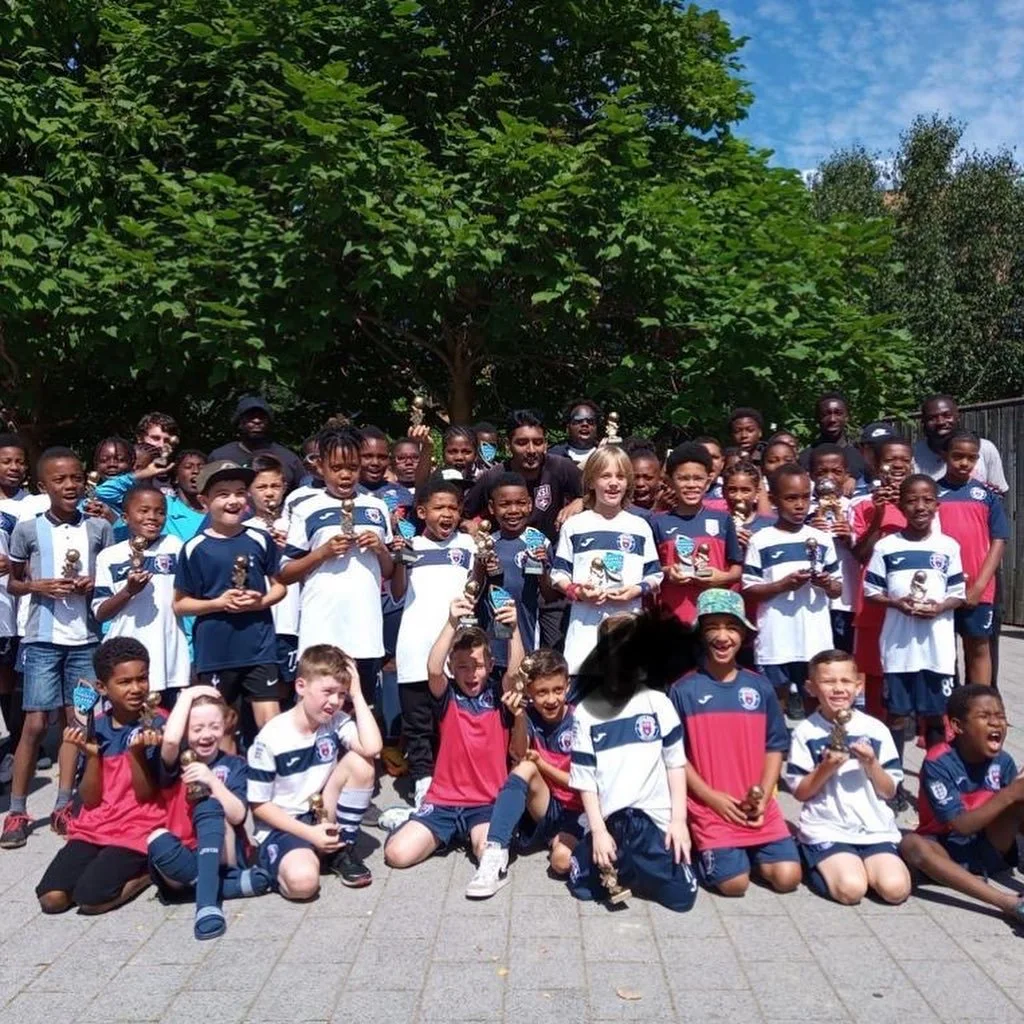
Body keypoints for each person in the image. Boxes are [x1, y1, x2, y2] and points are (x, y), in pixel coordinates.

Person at [1, 447, 114, 849]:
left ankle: (65, 804)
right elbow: (13, 582)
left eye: (76, 478)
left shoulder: (99, 529)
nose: (70, 486)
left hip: (85, 642)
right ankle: (17, 811)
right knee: (34, 723)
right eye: (60, 480)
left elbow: (108, 576)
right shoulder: (27, 530)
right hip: (43, 641)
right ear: (43, 486)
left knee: (77, 721)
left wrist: (90, 583)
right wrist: (37, 586)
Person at [671, 589, 801, 897]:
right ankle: (718, 853)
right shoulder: (683, 689)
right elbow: (674, 754)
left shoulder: (760, 686)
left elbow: (774, 746)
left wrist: (765, 794)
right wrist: (710, 796)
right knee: (734, 885)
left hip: (757, 805)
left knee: (788, 878)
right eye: (712, 627)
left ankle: (750, 852)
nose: (722, 636)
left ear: (744, 633)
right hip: (710, 806)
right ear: (700, 634)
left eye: (731, 627)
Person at [566, 618, 697, 912]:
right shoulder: (585, 714)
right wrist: (598, 831)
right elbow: (585, 780)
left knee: (682, 899)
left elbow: (676, 765)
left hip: (652, 820)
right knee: (581, 887)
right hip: (612, 821)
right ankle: (617, 862)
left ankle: (641, 865)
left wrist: (678, 821)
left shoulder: (658, 703)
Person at [383, 597, 523, 870]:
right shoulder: (446, 694)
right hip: (444, 801)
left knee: (489, 854)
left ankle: (464, 835)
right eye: (462, 667)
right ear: (452, 667)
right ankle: (414, 820)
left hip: (486, 802)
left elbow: (516, 676)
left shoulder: (498, 694)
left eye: (478, 666)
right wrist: (451, 622)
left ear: (491, 666)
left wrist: (514, 630)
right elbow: (433, 669)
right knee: (397, 856)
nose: (471, 674)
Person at [35, 638, 164, 914]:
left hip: (139, 826)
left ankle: (149, 872)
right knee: (52, 899)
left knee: (91, 900)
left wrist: (137, 754)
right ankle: (102, 866)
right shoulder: (97, 727)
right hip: (98, 824)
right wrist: (92, 755)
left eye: (142, 679)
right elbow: (90, 798)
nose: (136, 689)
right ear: (102, 688)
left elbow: (147, 796)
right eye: (125, 682)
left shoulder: (156, 724)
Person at [248, 645, 381, 897]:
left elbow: (373, 747)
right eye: (328, 691)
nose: (334, 702)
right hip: (283, 825)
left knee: (361, 762)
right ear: (301, 686)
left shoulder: (335, 720)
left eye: (341, 694)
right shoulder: (271, 738)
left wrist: (358, 695)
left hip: (319, 813)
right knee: (304, 884)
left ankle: (341, 848)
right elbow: (258, 805)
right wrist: (308, 834)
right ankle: (288, 861)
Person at [279, 427, 394, 707]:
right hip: (322, 627)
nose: (346, 475)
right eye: (337, 467)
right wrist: (322, 553)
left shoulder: (376, 507)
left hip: (365, 629)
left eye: (353, 467)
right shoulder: (306, 507)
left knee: (361, 709)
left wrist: (379, 548)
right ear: (320, 467)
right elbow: (285, 572)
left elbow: (389, 571)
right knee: (319, 708)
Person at [785, 650, 910, 905]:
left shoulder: (875, 729)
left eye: (845, 681)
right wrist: (826, 768)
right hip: (827, 828)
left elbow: (889, 791)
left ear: (859, 685)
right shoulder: (806, 733)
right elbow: (801, 792)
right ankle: (812, 860)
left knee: (895, 890)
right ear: (811, 688)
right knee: (851, 890)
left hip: (873, 828)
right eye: (829, 682)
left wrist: (872, 764)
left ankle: (862, 865)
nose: (838, 688)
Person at [172, 461, 286, 732]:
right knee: (221, 728)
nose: (233, 500)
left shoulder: (260, 539)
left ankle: (270, 774)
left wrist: (261, 601)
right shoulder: (194, 548)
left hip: (259, 647)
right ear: (205, 500)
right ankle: (226, 774)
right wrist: (217, 603)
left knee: (270, 726)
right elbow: (180, 605)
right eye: (223, 494)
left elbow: (280, 587)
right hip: (215, 652)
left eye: (239, 492)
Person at [148, 686, 270, 939]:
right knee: (155, 839)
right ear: (185, 730)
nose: (206, 735)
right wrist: (189, 695)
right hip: (183, 860)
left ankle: (206, 905)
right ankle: (225, 887)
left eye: (214, 726)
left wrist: (213, 782)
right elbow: (170, 740)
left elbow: (237, 815)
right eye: (197, 728)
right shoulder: (178, 760)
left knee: (210, 805)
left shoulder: (235, 764)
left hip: (224, 853)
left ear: (225, 725)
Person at [864, 474, 965, 770]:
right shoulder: (887, 547)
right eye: (911, 500)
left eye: (927, 500)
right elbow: (871, 592)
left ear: (937, 505)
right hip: (899, 649)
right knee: (896, 715)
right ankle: (893, 781)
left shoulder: (948, 547)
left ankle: (934, 779)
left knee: (935, 715)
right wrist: (897, 603)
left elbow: (958, 594)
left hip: (937, 650)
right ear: (900, 505)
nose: (920, 506)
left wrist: (940, 606)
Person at [900, 685, 1024, 925]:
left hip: (988, 846)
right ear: (958, 726)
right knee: (910, 844)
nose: (995, 723)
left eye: (1000, 716)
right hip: (945, 849)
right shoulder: (938, 762)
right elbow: (959, 826)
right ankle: (1009, 903)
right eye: (984, 717)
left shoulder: (1003, 761)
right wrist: (1010, 794)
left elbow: (1015, 816)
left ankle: (981, 876)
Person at [466, 649, 581, 898]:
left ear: (568, 686)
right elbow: (519, 754)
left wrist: (544, 765)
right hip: (547, 804)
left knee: (561, 862)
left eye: (557, 690)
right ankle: (494, 853)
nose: (551, 699)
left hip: (580, 808)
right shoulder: (529, 716)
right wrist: (518, 717)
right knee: (525, 767)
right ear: (529, 692)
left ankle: (580, 848)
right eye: (541, 692)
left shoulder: (580, 719)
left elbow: (585, 782)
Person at [391, 478, 476, 810]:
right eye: (439, 508)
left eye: (453, 508)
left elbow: (476, 588)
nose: (448, 514)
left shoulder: (470, 546)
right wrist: (399, 559)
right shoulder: (411, 544)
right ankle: (423, 782)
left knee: (455, 719)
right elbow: (398, 592)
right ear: (422, 512)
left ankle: (457, 779)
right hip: (415, 645)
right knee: (418, 722)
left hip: (458, 649)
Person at [550, 447, 662, 676]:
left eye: (620, 477)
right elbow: (558, 575)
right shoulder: (575, 525)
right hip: (583, 632)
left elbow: (655, 575)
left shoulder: (639, 526)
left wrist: (635, 591)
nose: (613, 483)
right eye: (605, 476)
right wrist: (578, 591)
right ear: (591, 481)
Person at [741, 464, 841, 719]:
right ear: (774, 500)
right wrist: (782, 585)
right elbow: (750, 589)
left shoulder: (822, 539)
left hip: (814, 638)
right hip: (777, 637)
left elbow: (837, 590)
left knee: (814, 696)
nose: (800, 505)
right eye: (791, 498)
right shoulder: (761, 540)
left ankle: (812, 747)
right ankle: (779, 749)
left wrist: (826, 583)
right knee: (777, 698)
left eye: (805, 497)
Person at [93, 484, 190, 698]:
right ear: (126, 517)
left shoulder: (175, 547)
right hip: (125, 657)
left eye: (160, 511)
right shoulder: (109, 556)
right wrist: (129, 591)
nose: (153, 517)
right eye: (144, 511)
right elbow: (100, 612)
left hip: (169, 656)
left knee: (166, 723)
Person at [936, 430, 1009, 687]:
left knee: (978, 646)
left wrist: (979, 586)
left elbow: (999, 541)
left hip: (978, 589)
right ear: (944, 455)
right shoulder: (931, 494)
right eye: (958, 456)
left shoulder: (987, 496)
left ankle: (978, 705)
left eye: (971, 457)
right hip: (941, 588)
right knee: (944, 651)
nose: (964, 463)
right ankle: (948, 713)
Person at [849, 437, 914, 722]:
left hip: (912, 600)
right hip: (874, 601)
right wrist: (878, 515)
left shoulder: (924, 502)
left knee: (910, 665)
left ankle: (915, 725)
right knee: (873, 669)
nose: (897, 464)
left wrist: (906, 505)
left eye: (904, 459)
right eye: (890, 459)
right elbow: (861, 554)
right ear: (876, 464)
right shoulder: (862, 505)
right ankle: (874, 722)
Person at [652, 443, 742, 629]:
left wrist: (721, 577)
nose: (691, 485)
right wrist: (669, 571)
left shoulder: (723, 519)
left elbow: (737, 569)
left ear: (709, 480)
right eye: (683, 478)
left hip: (714, 617)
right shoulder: (658, 522)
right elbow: (650, 570)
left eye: (698, 478)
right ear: (669, 481)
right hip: (673, 618)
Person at [463, 410, 582, 545]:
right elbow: (462, 512)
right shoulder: (493, 476)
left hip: (551, 555)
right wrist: (468, 525)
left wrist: (581, 501)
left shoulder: (561, 467)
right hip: (505, 557)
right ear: (508, 446)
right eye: (522, 443)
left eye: (537, 442)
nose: (531, 450)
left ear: (545, 444)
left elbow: (597, 494)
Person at [478, 472, 549, 669]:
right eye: (505, 504)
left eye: (520, 503)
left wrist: (541, 569)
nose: (513, 510)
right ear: (492, 508)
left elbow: (550, 596)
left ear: (530, 504)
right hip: (491, 643)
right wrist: (481, 567)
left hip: (525, 640)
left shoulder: (540, 542)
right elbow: (473, 590)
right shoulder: (487, 543)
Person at [245, 456, 301, 691]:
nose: (269, 493)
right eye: (261, 487)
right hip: (257, 624)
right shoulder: (243, 529)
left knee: (290, 690)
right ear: (248, 492)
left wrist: (288, 549)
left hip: (291, 623)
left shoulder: (297, 525)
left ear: (285, 487)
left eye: (275, 486)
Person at [808, 445, 857, 654]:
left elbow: (864, 550)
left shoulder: (855, 506)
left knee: (844, 652)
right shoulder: (804, 509)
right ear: (810, 475)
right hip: (812, 597)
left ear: (846, 475)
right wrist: (809, 530)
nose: (829, 478)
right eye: (821, 472)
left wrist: (850, 536)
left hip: (846, 596)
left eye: (836, 472)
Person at [912, 394, 1008, 493]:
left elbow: (999, 493)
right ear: (923, 421)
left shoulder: (985, 448)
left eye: (947, 416)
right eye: (932, 418)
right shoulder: (913, 454)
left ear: (958, 417)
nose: (940, 422)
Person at [209, 395, 304, 492]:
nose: (257, 421)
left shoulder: (289, 459)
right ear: (239, 422)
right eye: (250, 417)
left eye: (262, 417)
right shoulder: (219, 457)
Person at [798, 392, 865, 480]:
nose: (832, 419)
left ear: (847, 417)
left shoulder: (858, 457)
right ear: (817, 418)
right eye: (826, 414)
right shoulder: (805, 458)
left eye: (838, 413)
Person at [548, 400, 602, 467]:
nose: (585, 424)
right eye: (579, 421)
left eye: (590, 421)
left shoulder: (605, 454)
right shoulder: (553, 454)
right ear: (568, 427)